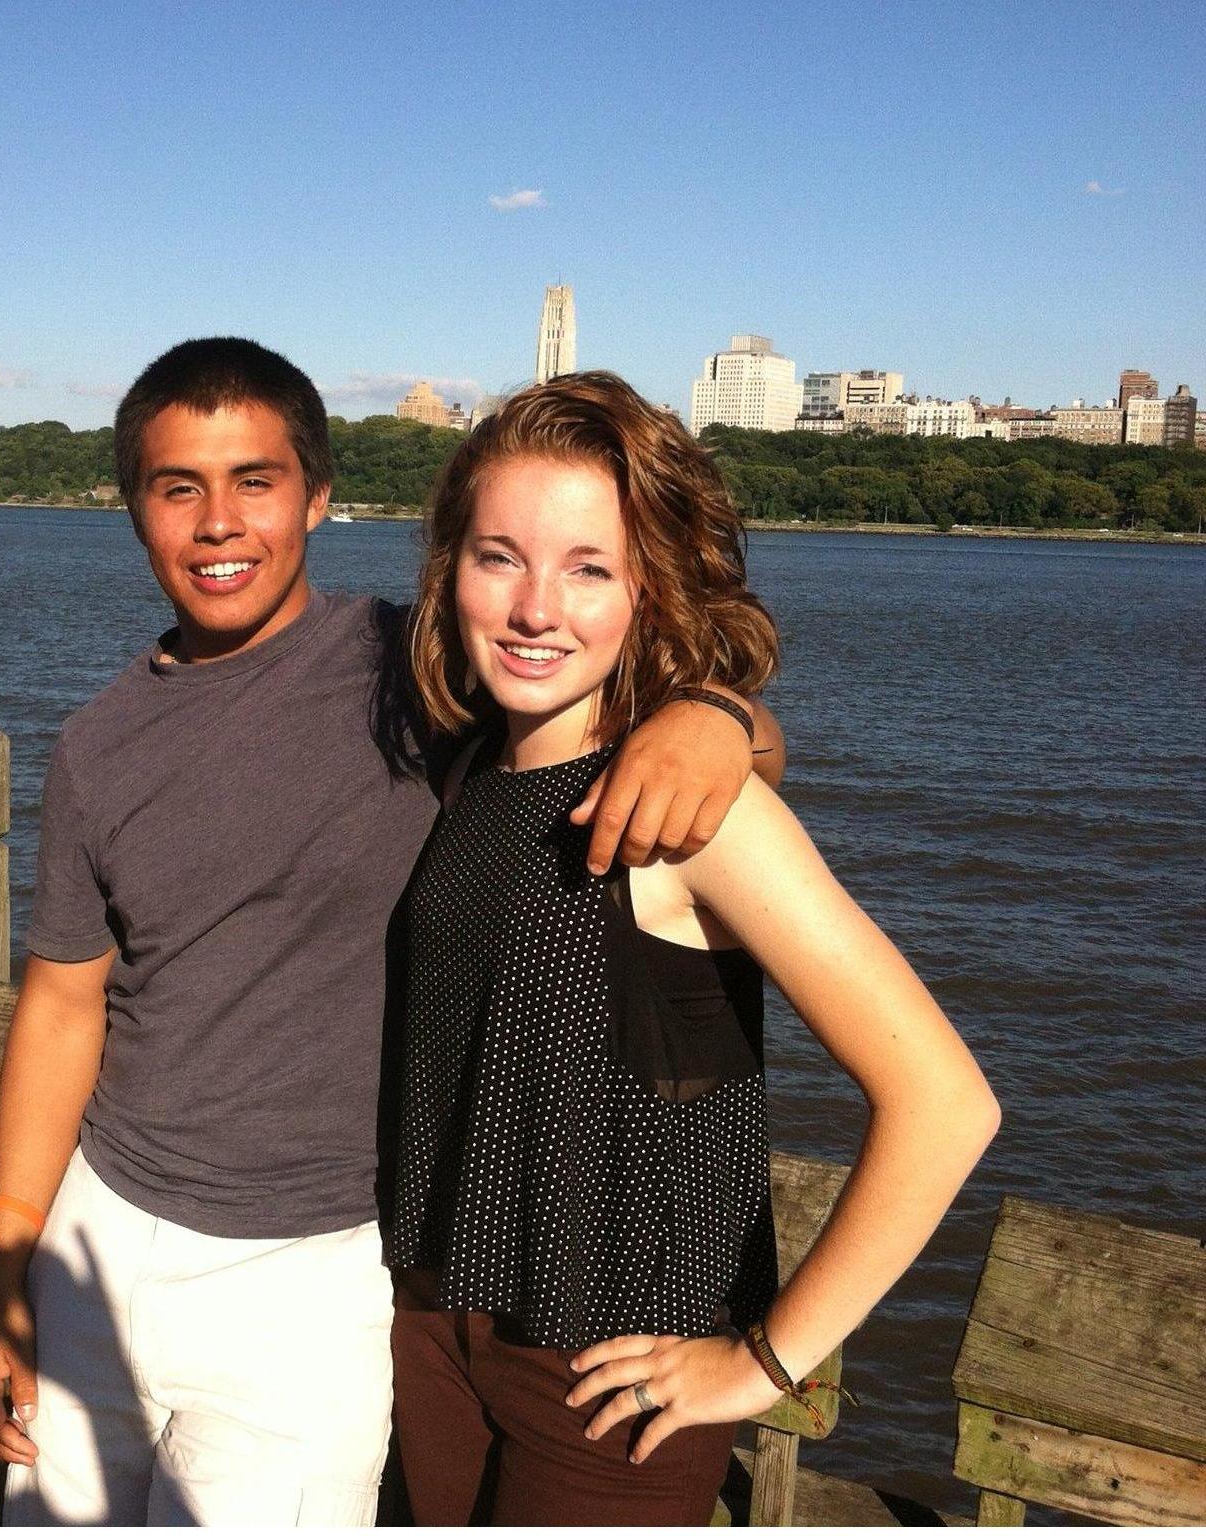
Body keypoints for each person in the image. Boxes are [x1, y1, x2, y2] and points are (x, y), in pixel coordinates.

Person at [0, 339, 785, 1526]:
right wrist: (7, 1258)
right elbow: (61, 1003)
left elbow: (637, 710)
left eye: (256, 480)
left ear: (319, 496)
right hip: (103, 1227)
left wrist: (715, 714)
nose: (217, 523)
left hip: (318, 1267)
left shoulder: (421, 666)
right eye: (176, 486)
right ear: (132, 508)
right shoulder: (97, 748)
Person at [387, 371, 1000, 1525]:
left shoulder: (700, 814)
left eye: (588, 569)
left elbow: (945, 1102)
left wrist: (764, 1362)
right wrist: (730, 714)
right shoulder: (469, 771)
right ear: (449, 570)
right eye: (498, 556)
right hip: (435, 1325)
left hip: (611, 1387)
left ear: (649, 592)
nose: (534, 609)